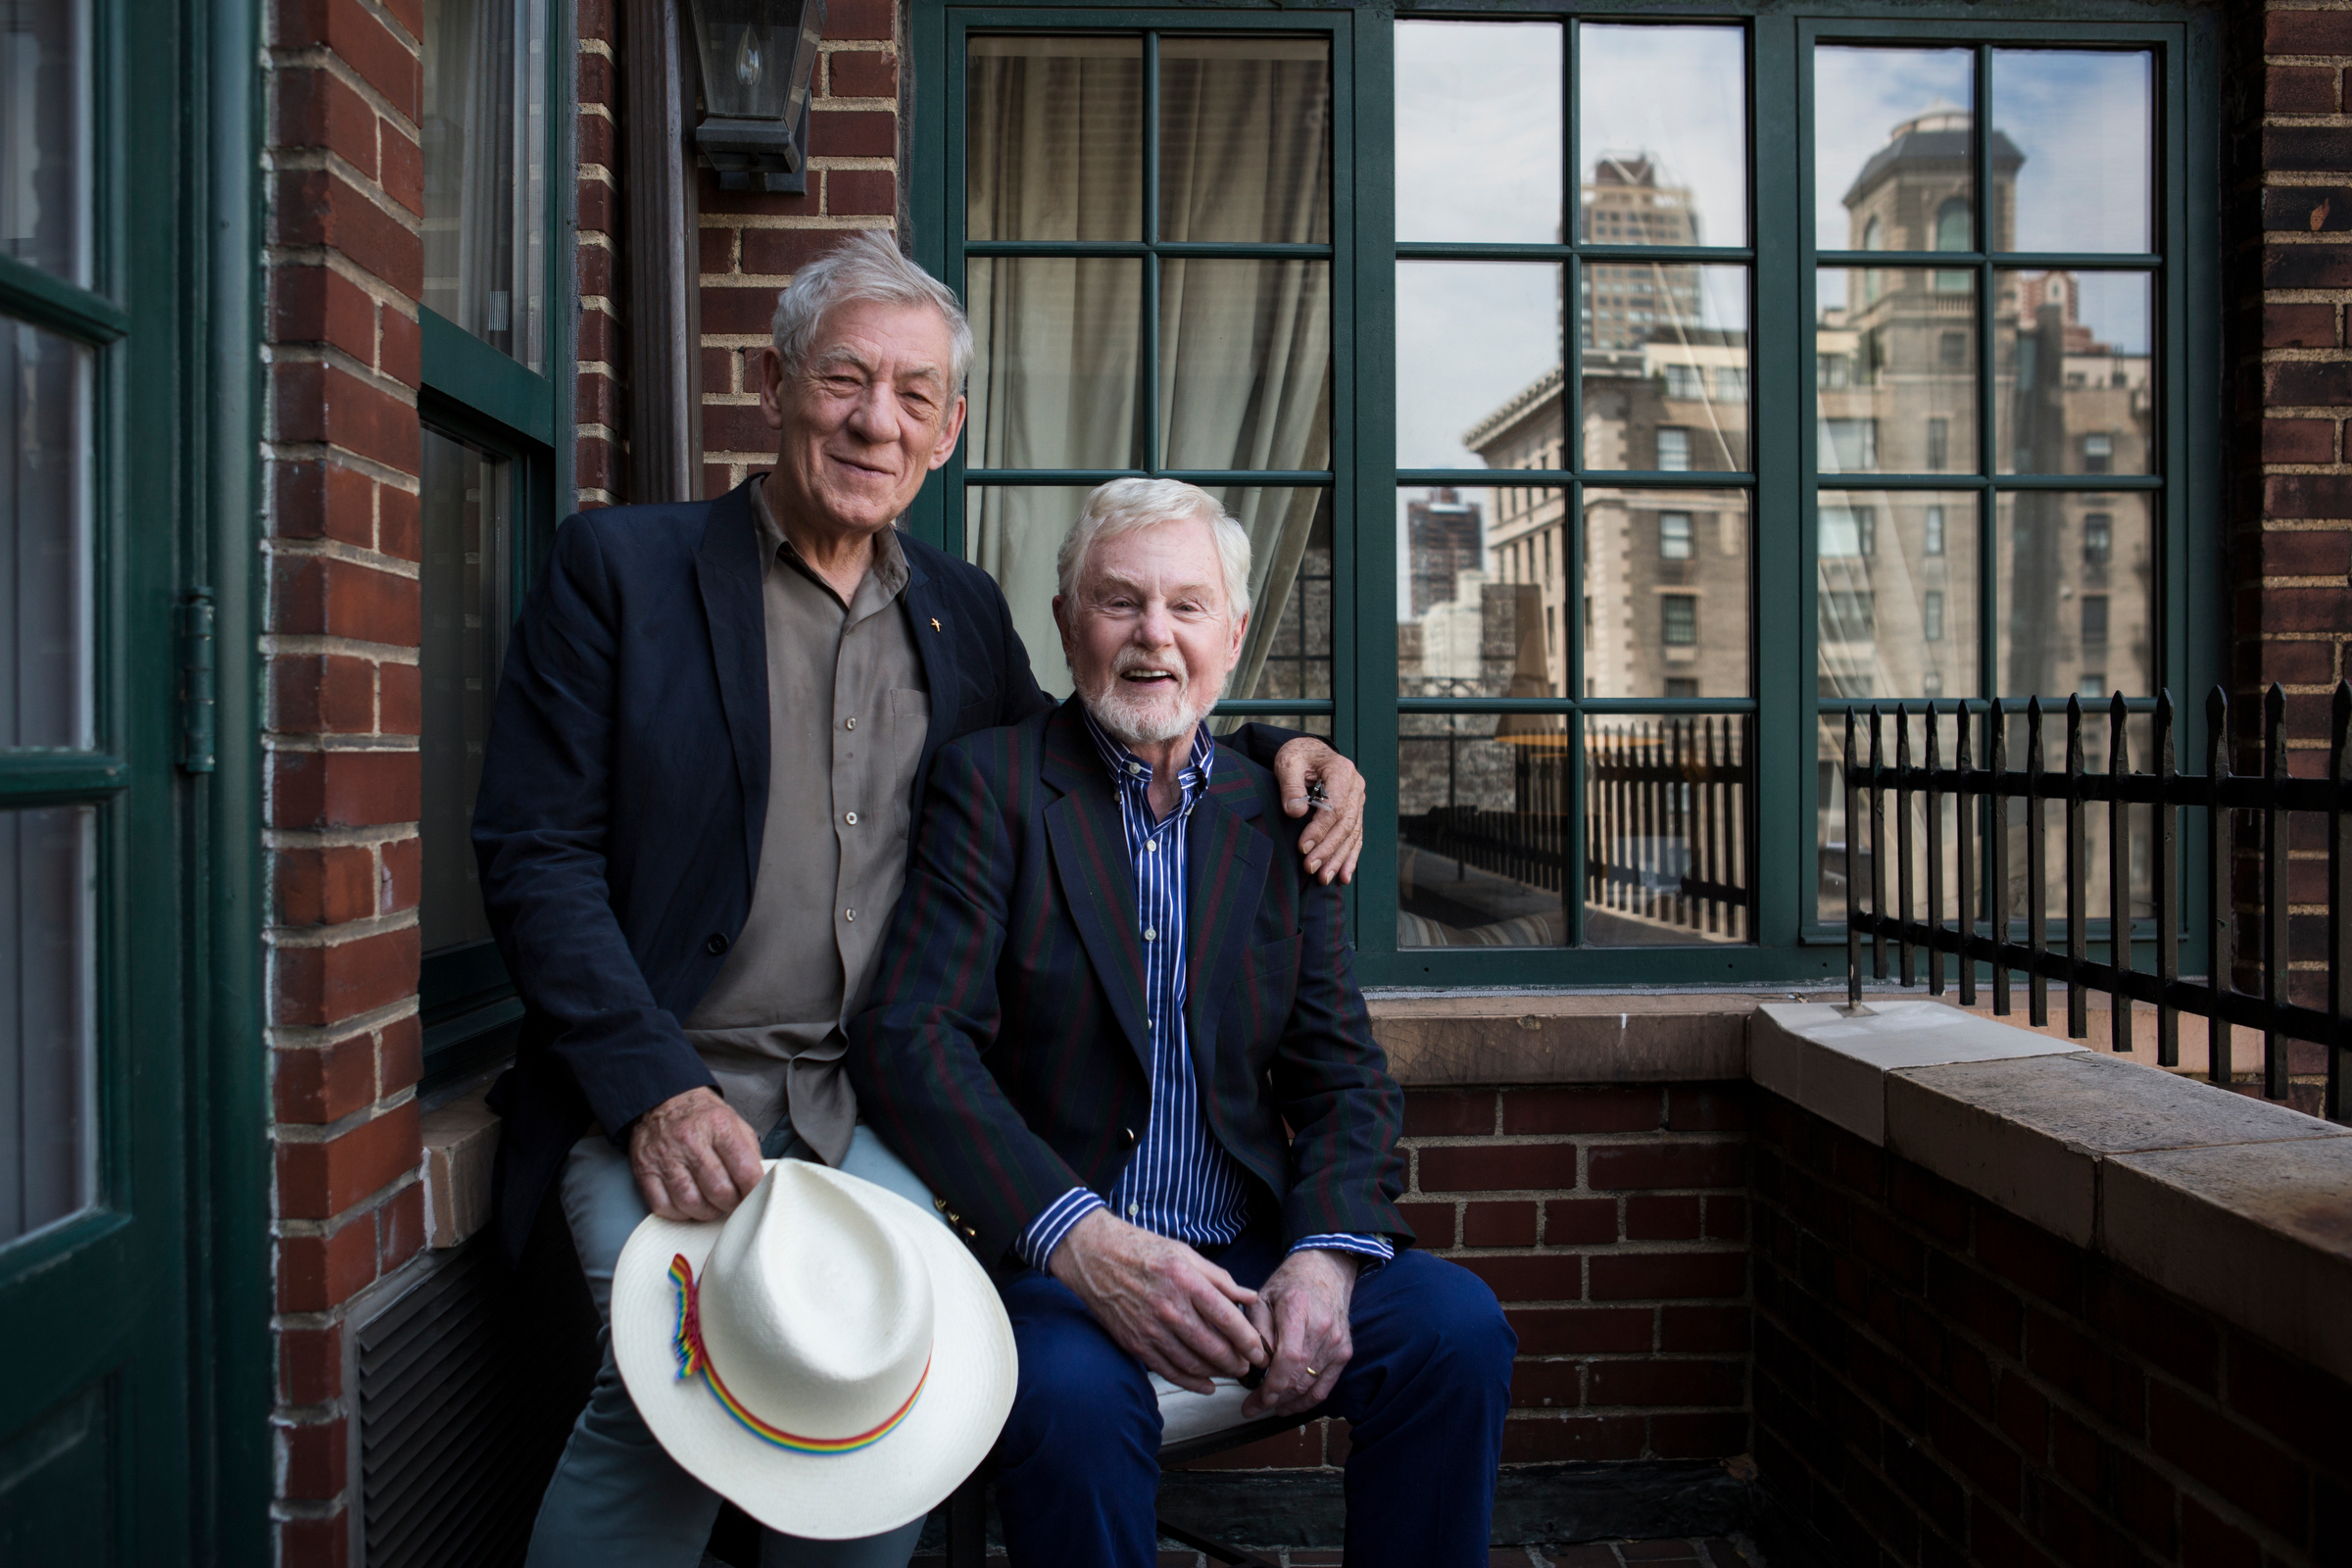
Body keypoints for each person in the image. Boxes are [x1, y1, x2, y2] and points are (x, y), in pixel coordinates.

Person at [471, 235, 1368, 1568]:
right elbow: (532, 849)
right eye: (844, 378)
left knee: (893, 1393)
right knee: (672, 1392)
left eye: (912, 394)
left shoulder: (959, 615)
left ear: (948, 432)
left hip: (867, 1104)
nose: (871, 419)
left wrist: (1269, 752)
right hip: (664, 1090)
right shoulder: (623, 573)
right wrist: (652, 1086)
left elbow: (1098, 751)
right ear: (778, 386)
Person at [847, 479, 1515, 1568]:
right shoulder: (995, 788)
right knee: (1066, 1404)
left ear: (1235, 631)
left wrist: (1326, 1255)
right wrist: (1078, 1237)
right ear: (1067, 623)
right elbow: (913, 1038)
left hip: (1250, 1240)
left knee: (1455, 1329)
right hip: (1059, 1253)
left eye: (1188, 606)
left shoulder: (1279, 806)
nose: (1154, 635)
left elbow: (1342, 1072)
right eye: (1119, 603)